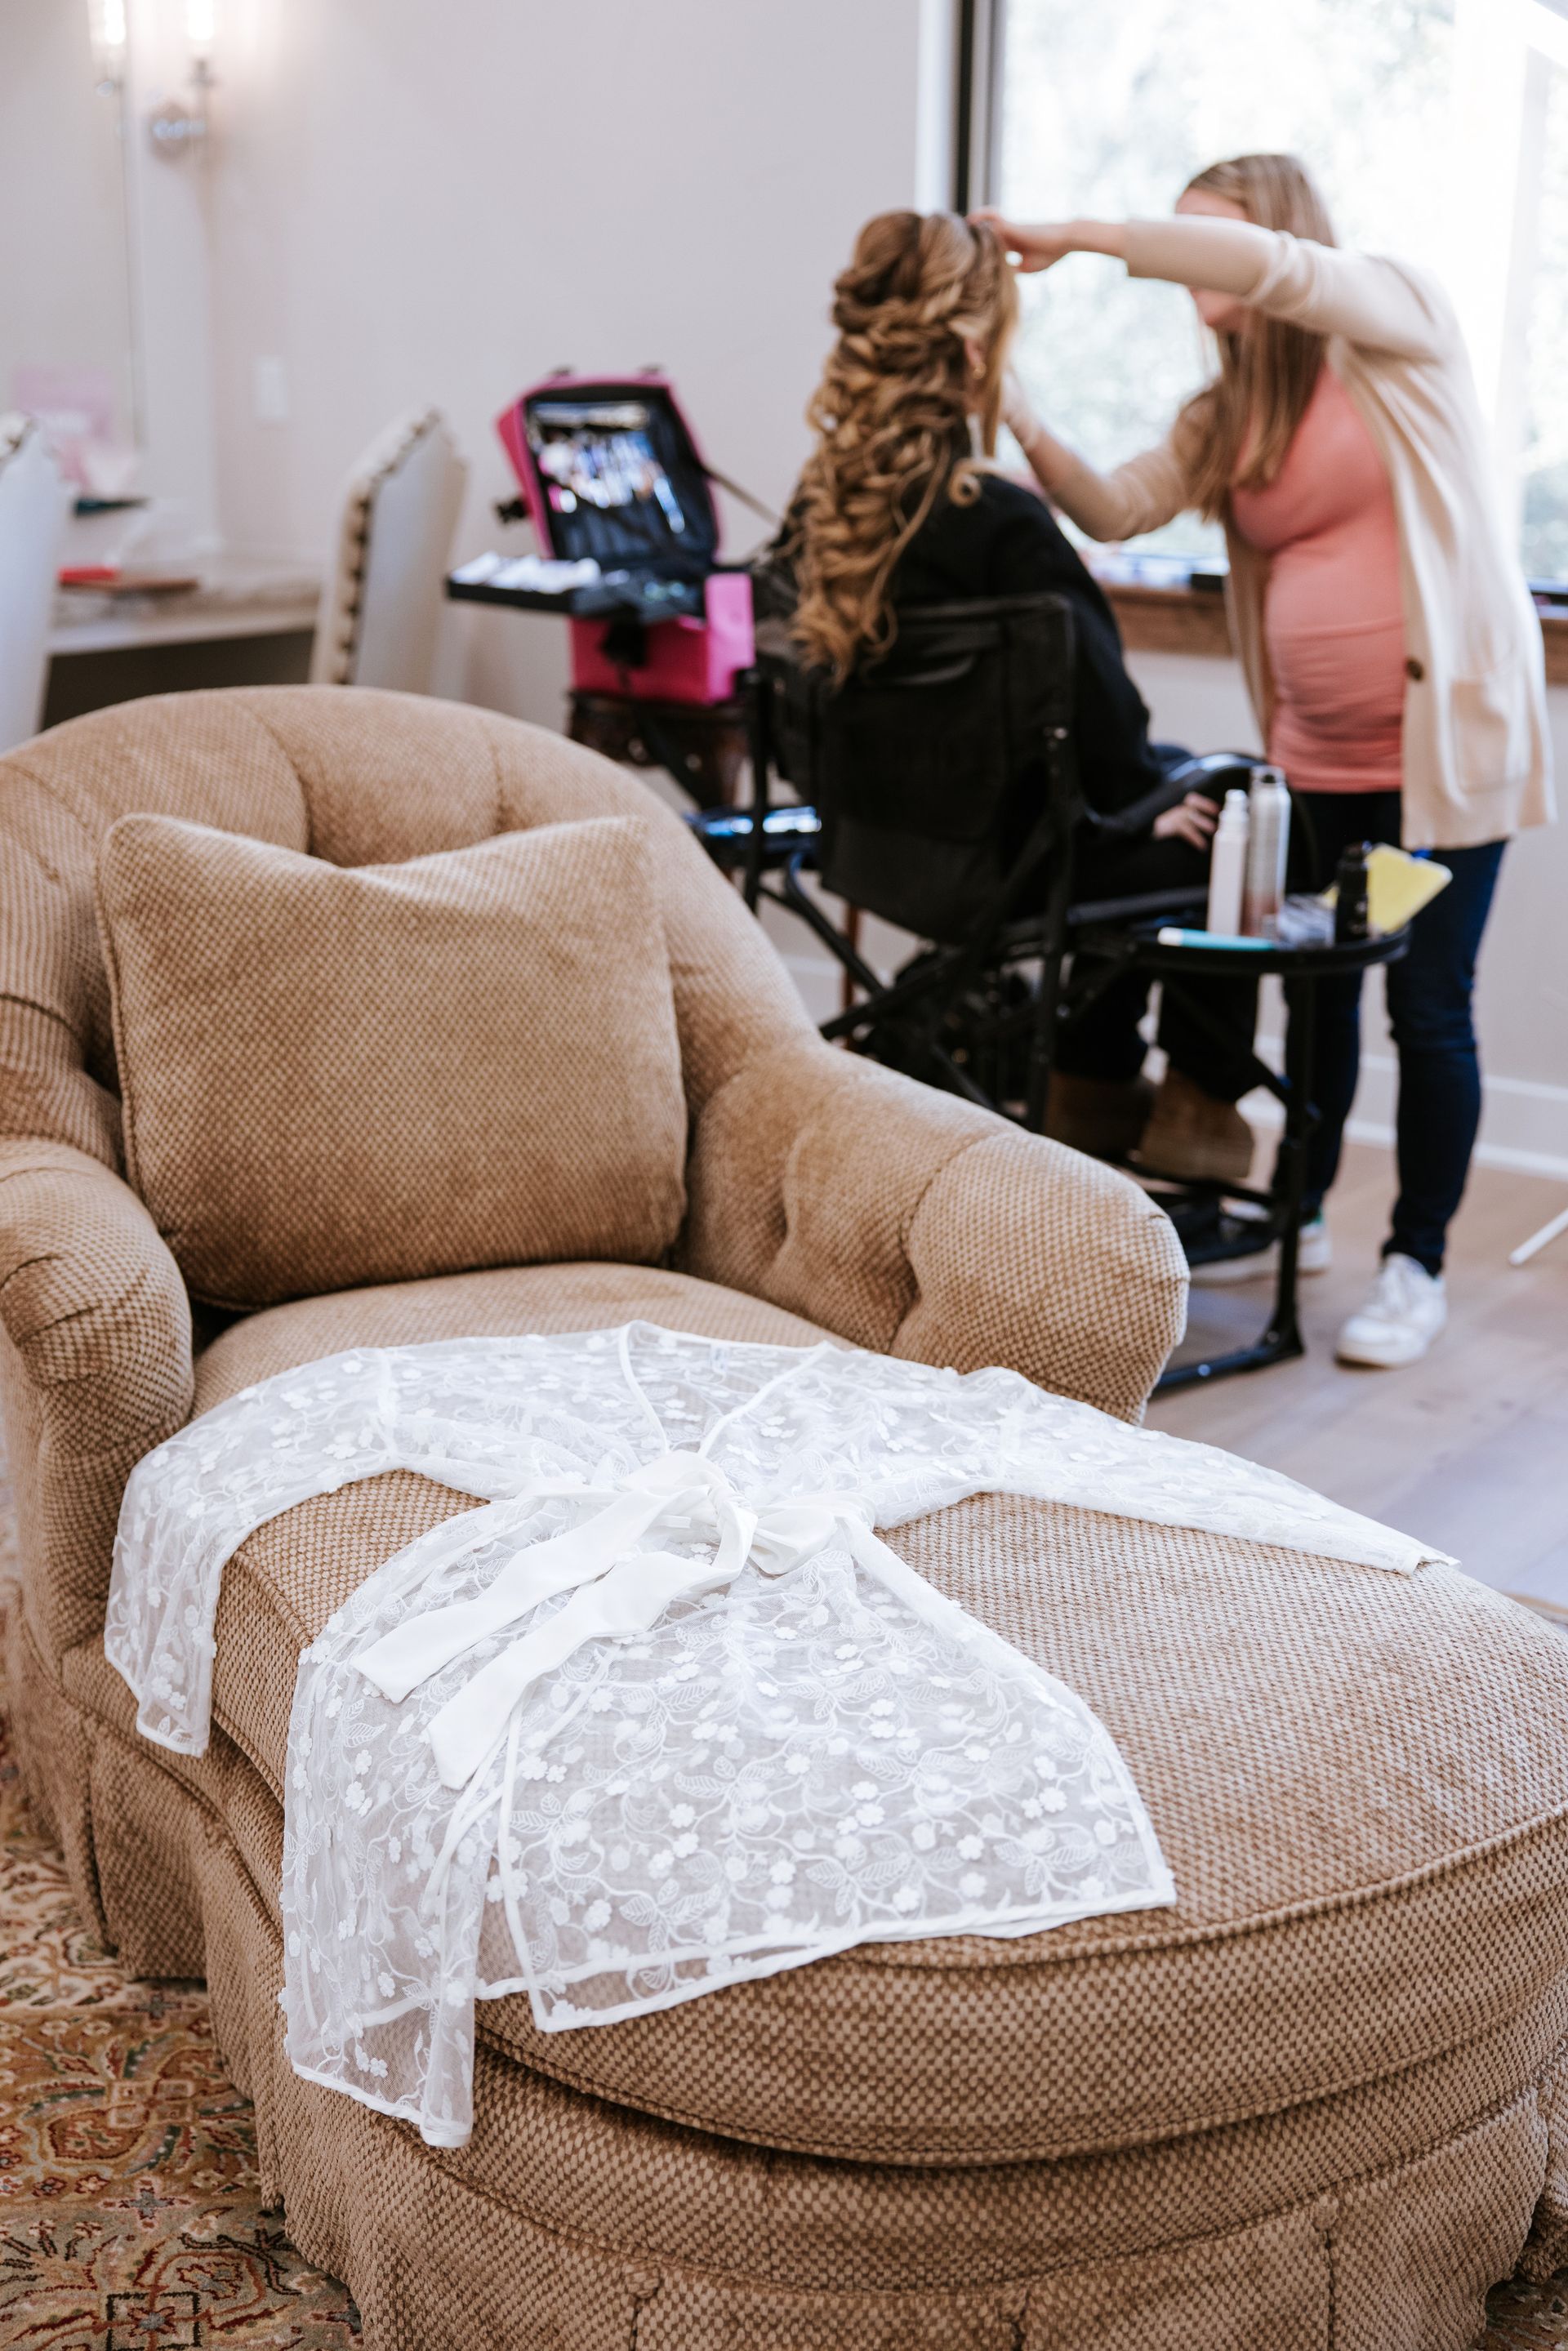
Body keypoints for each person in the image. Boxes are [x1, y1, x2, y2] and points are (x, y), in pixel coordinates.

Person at [978, 155, 1552, 1367]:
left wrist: (1080, 235)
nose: (1188, 270)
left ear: (1276, 242)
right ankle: (1299, 1210)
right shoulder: (1228, 409)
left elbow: (1278, 272)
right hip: (1315, 762)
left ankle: (1419, 1260)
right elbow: (1117, 506)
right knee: (1320, 993)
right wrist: (1014, 402)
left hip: (1440, 765)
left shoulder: (1396, 323)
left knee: (1428, 1002)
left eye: (1208, 244)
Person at [774, 207, 1260, 1179]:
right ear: (976, 348)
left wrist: (1131, 801)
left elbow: (805, 732)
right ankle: (1193, 1108)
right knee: (1237, 798)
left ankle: (1090, 1081)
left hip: (874, 849)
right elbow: (1112, 734)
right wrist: (1143, 812)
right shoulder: (999, 521)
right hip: (1011, 869)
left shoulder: (819, 516)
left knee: (1161, 793)